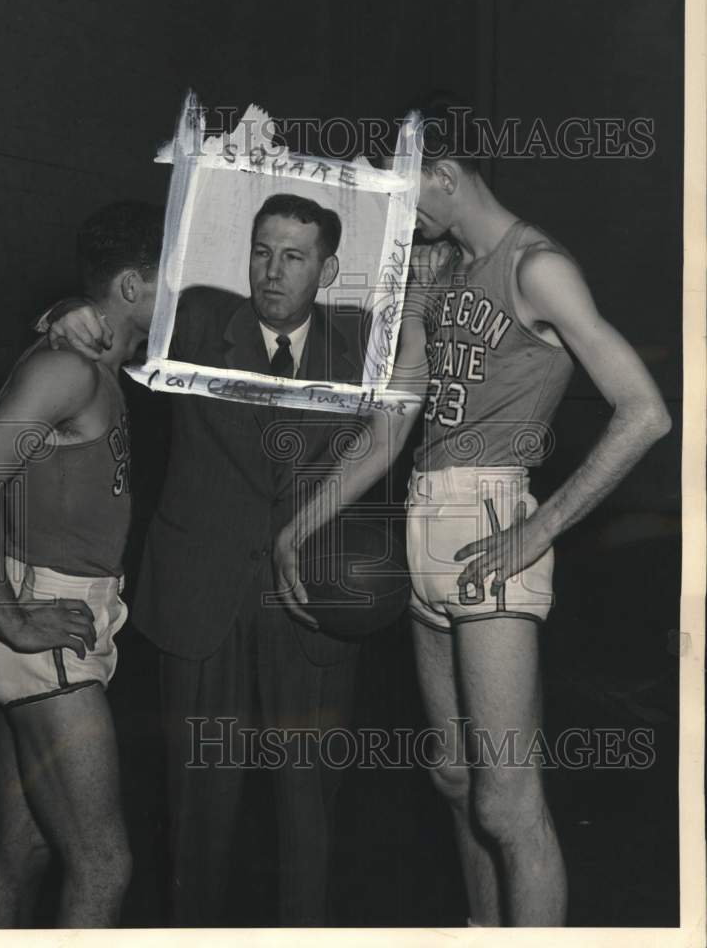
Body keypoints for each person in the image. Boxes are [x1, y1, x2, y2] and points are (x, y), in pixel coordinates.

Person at [273, 96, 671, 927]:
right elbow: (394, 421)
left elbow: (644, 411)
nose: (397, 211)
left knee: (506, 802)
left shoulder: (538, 268)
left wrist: (541, 524)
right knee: (454, 782)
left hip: (494, 523)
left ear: (446, 176)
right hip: (424, 521)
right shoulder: (437, 270)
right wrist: (301, 524)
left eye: (406, 190)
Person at [46, 192, 367, 926]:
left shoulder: (361, 347)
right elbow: (110, 310)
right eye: (260, 252)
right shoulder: (191, 323)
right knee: (197, 813)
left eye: (293, 256)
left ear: (327, 268)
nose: (271, 271)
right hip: (199, 596)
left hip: (308, 601)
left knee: (308, 816)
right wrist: (65, 310)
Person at [0, 201, 163, 927]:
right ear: (131, 285)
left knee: (22, 851)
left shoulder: (97, 363)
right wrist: (13, 619)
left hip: (66, 624)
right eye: (171, 278)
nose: (183, 293)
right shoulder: (69, 369)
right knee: (104, 867)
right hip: (47, 632)